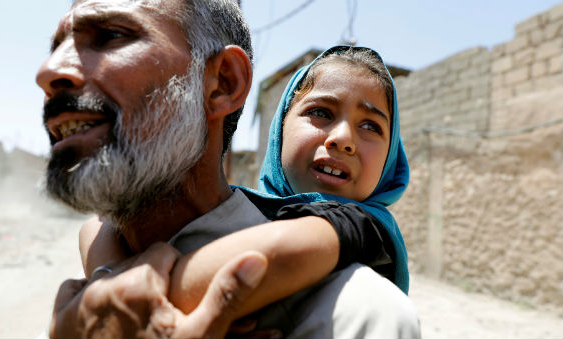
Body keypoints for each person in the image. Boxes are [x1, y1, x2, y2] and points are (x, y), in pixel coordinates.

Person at [36, 0, 420, 336]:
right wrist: (107, 282)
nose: (49, 71)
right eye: (319, 113)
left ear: (222, 83)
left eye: (112, 35)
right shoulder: (82, 317)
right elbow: (96, 228)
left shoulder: (353, 308)